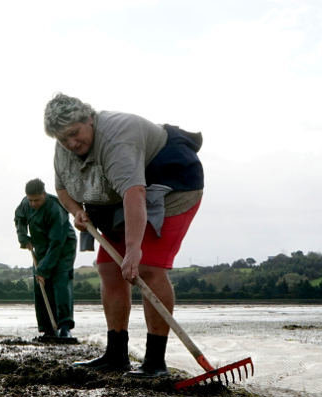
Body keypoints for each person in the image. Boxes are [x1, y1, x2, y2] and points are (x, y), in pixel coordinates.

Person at [43, 93, 204, 378]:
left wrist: (133, 249)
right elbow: (62, 190)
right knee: (108, 267)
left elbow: (135, 192)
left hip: (174, 184)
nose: (70, 143)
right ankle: (116, 354)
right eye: (62, 138)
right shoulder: (64, 148)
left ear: (89, 119)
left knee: (147, 267)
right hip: (120, 199)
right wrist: (76, 211)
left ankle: (155, 362)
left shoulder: (117, 137)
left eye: (74, 134)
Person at [14, 178, 76, 338]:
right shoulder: (25, 203)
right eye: (31, 200)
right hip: (40, 245)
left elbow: (57, 243)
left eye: (37, 200)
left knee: (60, 280)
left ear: (44, 194)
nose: (33, 204)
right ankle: (48, 329)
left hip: (63, 246)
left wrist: (43, 269)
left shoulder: (56, 208)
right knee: (40, 284)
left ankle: (64, 327)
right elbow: (19, 218)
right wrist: (23, 237)